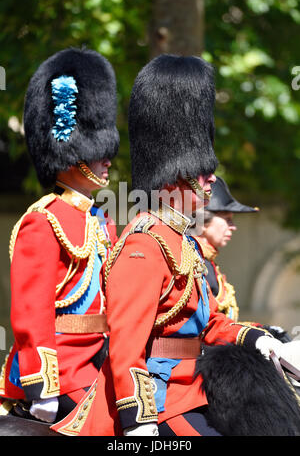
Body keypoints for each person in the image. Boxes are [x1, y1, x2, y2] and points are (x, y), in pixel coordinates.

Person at [51, 54, 285, 437]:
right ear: (176, 173)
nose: (211, 179)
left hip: (193, 393)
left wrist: (264, 340)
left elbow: (208, 324)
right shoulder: (144, 244)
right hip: (158, 405)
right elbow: (127, 345)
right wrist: (138, 421)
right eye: (202, 170)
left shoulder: (182, 240)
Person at [0, 48, 119, 424]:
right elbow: (31, 314)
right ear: (72, 150)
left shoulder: (101, 220)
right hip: (65, 372)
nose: (108, 159)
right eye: (98, 150)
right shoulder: (43, 220)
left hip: (102, 361)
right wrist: (43, 387)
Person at [189, 176, 291, 342]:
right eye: (227, 219)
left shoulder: (208, 263)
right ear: (203, 221)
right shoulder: (192, 261)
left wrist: (260, 329)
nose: (233, 227)